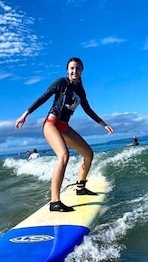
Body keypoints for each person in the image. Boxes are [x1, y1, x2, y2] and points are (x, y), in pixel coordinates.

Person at [15, 57, 114, 212]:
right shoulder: (61, 83)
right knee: (64, 156)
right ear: (68, 70)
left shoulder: (80, 90)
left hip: (64, 127)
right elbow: (43, 98)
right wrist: (25, 114)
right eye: (72, 68)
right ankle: (55, 202)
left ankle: (80, 187)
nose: (74, 71)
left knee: (88, 154)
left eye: (78, 68)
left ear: (82, 71)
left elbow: (88, 110)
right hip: (51, 124)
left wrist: (103, 124)